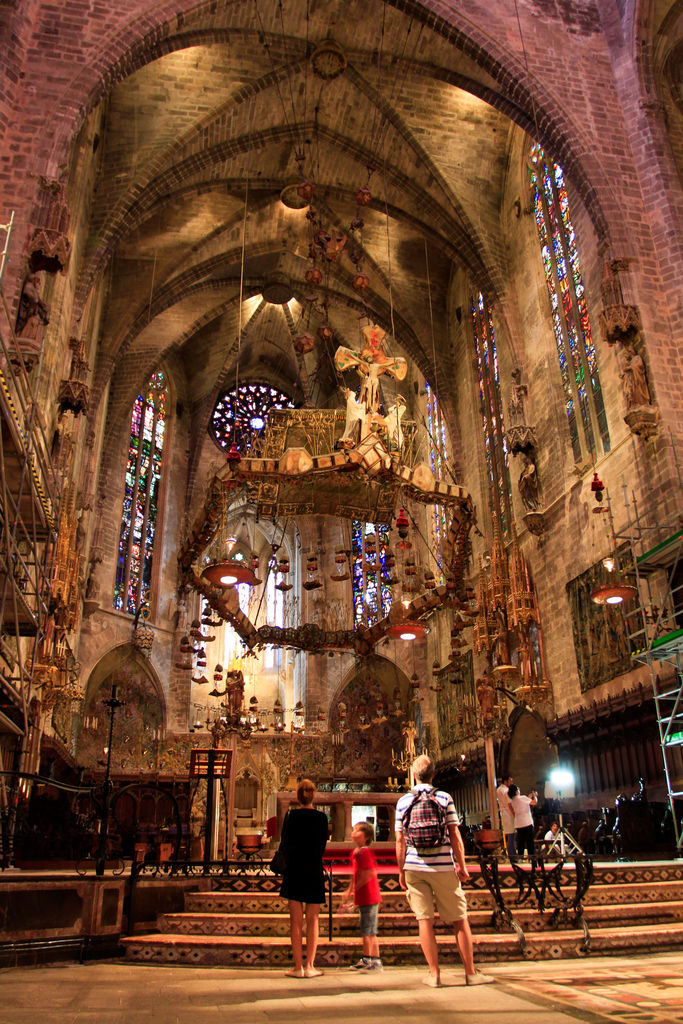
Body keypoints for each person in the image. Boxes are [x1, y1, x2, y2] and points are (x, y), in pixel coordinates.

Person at [395, 754, 494, 988]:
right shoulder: (444, 797)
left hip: (414, 867)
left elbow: (399, 840)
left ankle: (434, 974)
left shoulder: (403, 801)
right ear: (434, 774)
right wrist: (461, 864)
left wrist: (400, 871)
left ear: (413, 775)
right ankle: (470, 973)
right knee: (460, 920)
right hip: (443, 866)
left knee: (424, 921)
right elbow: (454, 835)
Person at [279, 778, 329, 978]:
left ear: (298, 797)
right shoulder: (322, 818)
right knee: (314, 919)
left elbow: (285, 843)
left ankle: (297, 966)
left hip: (294, 870)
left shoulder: (291, 817)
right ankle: (310, 966)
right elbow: (323, 845)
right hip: (314, 869)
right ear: (313, 796)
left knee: (296, 921)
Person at [338, 821, 382, 972]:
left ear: (366, 836)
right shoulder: (357, 852)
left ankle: (370, 960)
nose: (353, 832)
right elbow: (356, 874)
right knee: (369, 930)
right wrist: (350, 891)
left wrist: (355, 889)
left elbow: (369, 873)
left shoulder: (364, 852)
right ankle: (372, 960)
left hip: (369, 895)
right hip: (365, 895)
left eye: (357, 830)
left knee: (368, 930)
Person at [507, 784, 538, 860]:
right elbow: (534, 802)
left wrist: (528, 798)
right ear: (516, 791)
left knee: (521, 842)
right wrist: (535, 796)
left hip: (518, 823)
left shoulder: (512, 801)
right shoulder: (523, 798)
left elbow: (521, 804)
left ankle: (520, 858)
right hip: (527, 822)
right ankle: (532, 858)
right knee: (530, 842)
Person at [496, 775, 516, 859]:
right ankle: (512, 855)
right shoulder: (506, 791)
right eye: (510, 781)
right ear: (505, 782)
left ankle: (512, 854)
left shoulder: (498, 790)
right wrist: (515, 814)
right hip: (509, 814)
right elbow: (510, 804)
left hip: (504, 814)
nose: (512, 783)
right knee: (512, 837)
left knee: (510, 836)